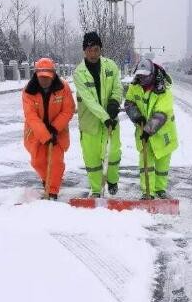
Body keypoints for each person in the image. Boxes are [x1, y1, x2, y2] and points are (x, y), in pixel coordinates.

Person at [73, 31, 124, 198]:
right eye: (89, 50)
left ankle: (112, 180)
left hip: (111, 119)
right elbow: (89, 100)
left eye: (96, 49)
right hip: (90, 122)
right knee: (92, 159)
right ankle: (96, 190)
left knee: (114, 153)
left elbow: (118, 87)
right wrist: (105, 117)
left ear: (100, 49)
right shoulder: (78, 73)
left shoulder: (111, 66)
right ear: (84, 51)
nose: (93, 53)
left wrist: (114, 103)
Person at [123, 58, 178, 199]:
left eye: (145, 76)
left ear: (152, 74)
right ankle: (147, 192)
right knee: (145, 165)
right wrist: (137, 117)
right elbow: (129, 103)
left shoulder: (163, 89)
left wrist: (148, 130)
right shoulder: (134, 86)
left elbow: (161, 114)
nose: (142, 79)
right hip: (144, 132)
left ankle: (160, 189)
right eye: (140, 76)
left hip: (162, 133)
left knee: (162, 165)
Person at [22, 58, 75, 200]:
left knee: (56, 162)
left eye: (47, 77)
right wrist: (45, 135)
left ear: (53, 75)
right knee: (38, 161)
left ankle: (52, 191)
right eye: (41, 77)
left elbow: (68, 109)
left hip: (58, 131)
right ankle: (47, 180)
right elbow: (31, 116)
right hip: (35, 132)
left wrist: (54, 128)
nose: (44, 80)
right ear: (36, 75)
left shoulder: (63, 87)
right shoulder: (28, 91)